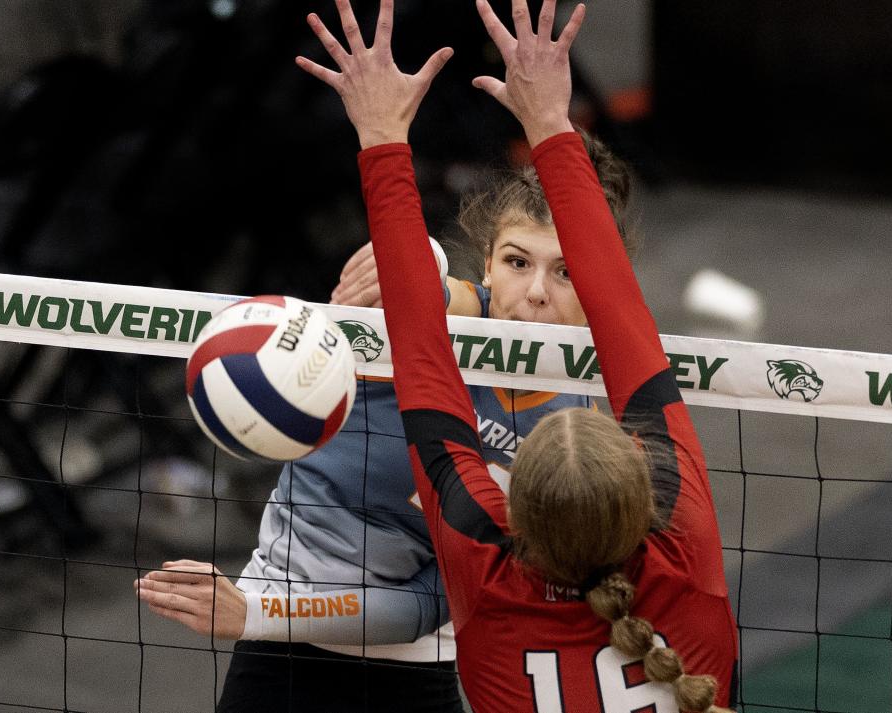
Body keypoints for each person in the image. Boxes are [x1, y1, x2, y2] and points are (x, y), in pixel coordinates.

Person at [133, 3, 636, 712]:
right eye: (518, 262)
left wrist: (253, 611)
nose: (535, 294)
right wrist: (418, 265)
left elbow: (428, 605)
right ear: (488, 264)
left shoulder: (574, 441)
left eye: (566, 271)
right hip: (278, 664)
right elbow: (424, 290)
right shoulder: (416, 327)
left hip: (416, 674)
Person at [296, 0, 740, 710]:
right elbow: (620, 322)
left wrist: (382, 134)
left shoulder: (489, 578)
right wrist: (551, 123)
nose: (536, 292)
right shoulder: (685, 558)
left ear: (514, 513)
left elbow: (418, 354)